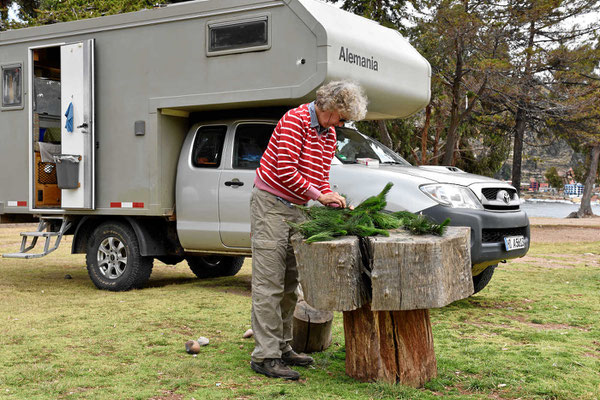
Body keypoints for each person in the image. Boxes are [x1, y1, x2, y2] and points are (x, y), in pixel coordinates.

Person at [249, 81, 368, 380]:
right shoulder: (295, 120)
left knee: (291, 282)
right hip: (271, 205)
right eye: (342, 117)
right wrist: (318, 195)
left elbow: (319, 176)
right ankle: (265, 356)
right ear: (329, 107)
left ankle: (283, 346)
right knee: (269, 283)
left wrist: (331, 197)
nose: (342, 123)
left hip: (297, 209)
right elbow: (285, 170)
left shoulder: (328, 134)